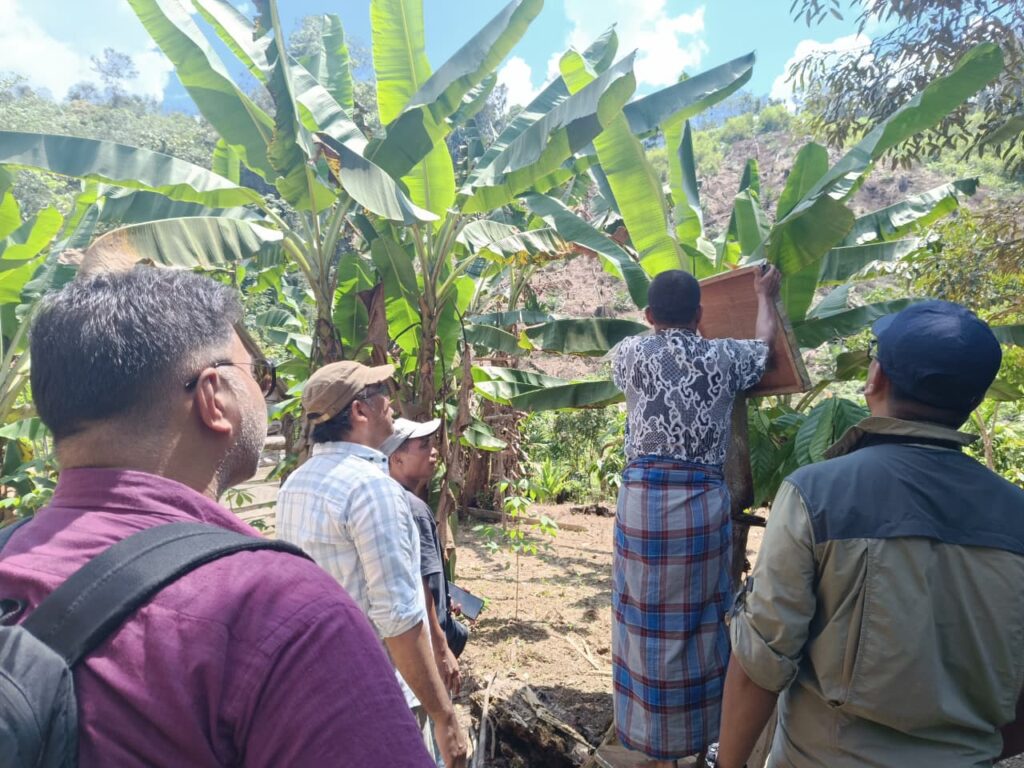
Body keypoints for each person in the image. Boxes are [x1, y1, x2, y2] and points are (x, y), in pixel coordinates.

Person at [0, 267, 432, 766]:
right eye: (259, 374)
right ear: (213, 398)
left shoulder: (13, 558)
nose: (264, 392)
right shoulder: (280, 613)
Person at [716, 300, 1024, 768]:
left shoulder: (816, 492)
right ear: (975, 400)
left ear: (876, 378)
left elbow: (760, 663)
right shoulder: (1016, 512)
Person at [610, 265, 782, 766]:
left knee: (638, 615)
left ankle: (645, 735)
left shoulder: (628, 353)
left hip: (640, 502)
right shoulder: (725, 356)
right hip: (699, 507)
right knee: (704, 620)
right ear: (701, 315)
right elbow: (766, 346)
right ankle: (705, 738)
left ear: (647, 315)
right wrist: (763, 296)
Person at [276, 364, 468, 768]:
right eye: (382, 392)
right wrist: (444, 715)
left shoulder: (295, 484)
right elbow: (398, 621)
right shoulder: (371, 490)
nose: (392, 403)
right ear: (360, 412)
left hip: (319, 690)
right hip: (378, 696)